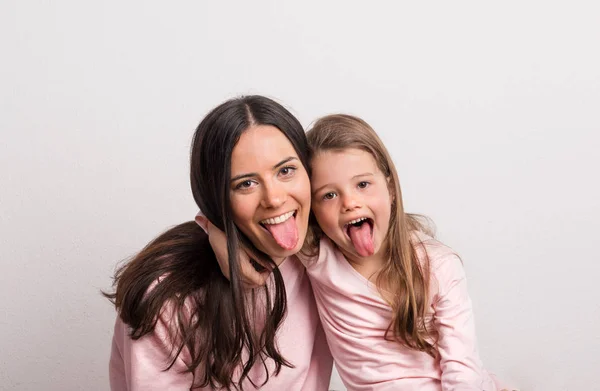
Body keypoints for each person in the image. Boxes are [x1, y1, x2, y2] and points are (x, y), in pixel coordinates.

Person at [204, 114, 512, 390]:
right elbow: (256, 220)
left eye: (363, 184)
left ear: (390, 186)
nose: (350, 203)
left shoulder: (438, 265)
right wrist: (218, 235)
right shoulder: (317, 255)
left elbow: (463, 372)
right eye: (330, 194)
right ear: (314, 209)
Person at [105, 95, 332, 391]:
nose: (274, 198)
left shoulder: (324, 254)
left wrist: (216, 227)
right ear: (215, 198)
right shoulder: (167, 297)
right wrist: (215, 223)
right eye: (245, 184)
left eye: (286, 170)